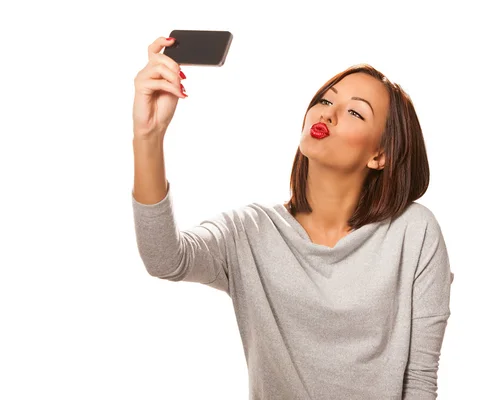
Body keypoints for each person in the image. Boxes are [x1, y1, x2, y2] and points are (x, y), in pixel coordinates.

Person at [131, 36, 454, 400]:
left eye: (354, 111)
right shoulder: (250, 233)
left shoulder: (414, 232)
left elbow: (421, 383)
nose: (326, 113)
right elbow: (164, 259)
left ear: (380, 155)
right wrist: (148, 137)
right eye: (325, 99)